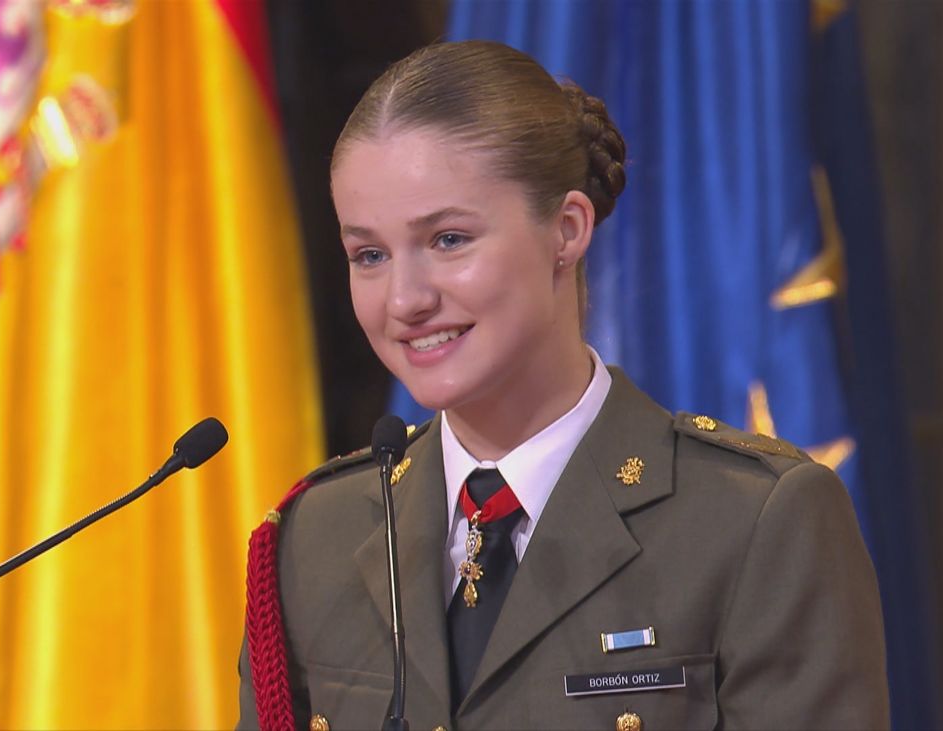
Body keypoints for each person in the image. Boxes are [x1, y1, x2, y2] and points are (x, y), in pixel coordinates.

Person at [238, 40, 888, 731]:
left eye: (448, 239)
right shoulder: (316, 537)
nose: (404, 299)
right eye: (369, 254)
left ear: (567, 229)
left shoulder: (755, 524)